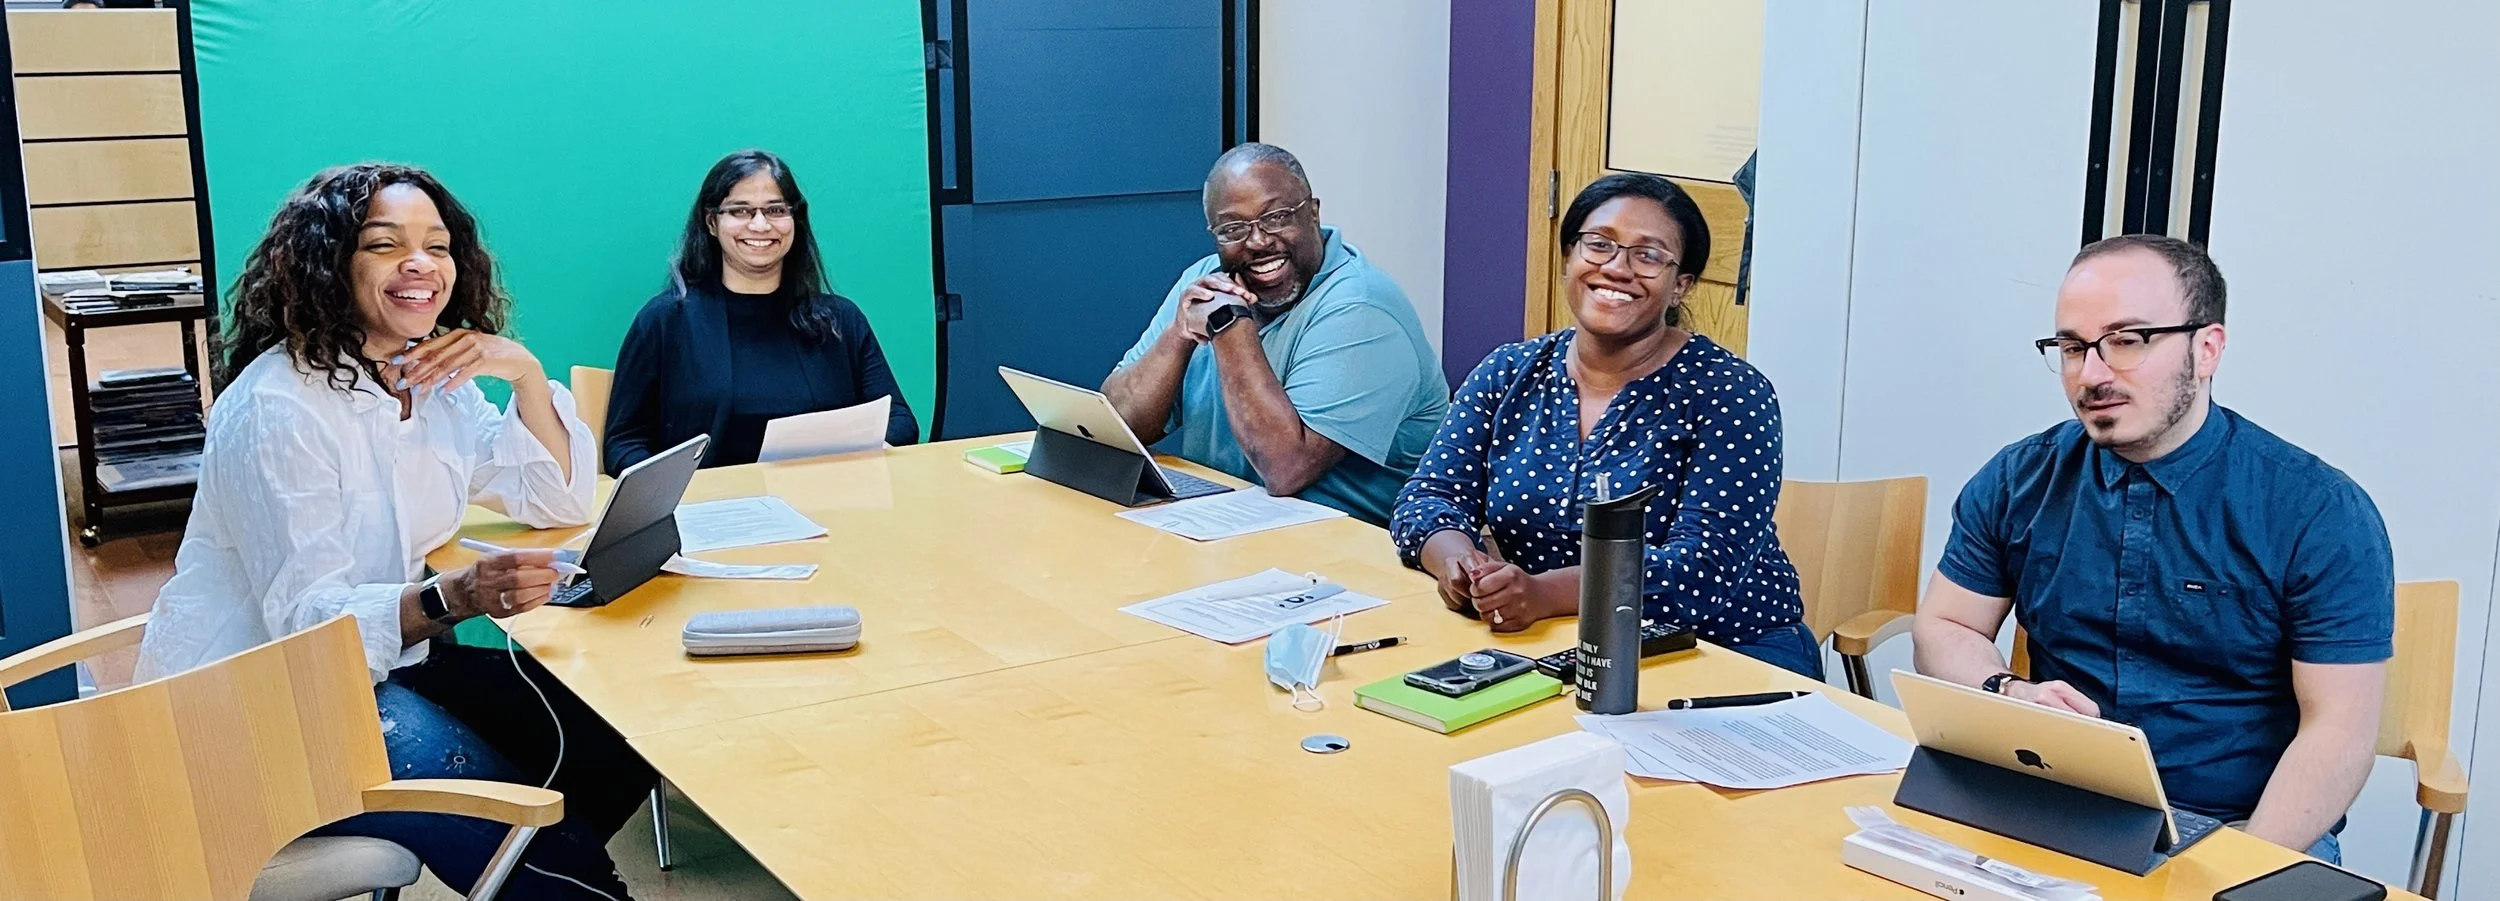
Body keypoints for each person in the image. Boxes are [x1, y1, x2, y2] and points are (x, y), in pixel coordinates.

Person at [134, 164, 648, 899]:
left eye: (437, 247)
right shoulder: (280, 407)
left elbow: (553, 496)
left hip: (379, 669)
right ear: (329, 265)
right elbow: (306, 629)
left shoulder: (424, 377)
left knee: (611, 732)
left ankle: (539, 874)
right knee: (518, 825)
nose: (421, 264)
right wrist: (455, 596)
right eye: (385, 244)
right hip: (260, 704)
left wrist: (524, 373)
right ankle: (551, 874)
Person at [1911, 235, 2390, 863]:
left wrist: (2238, 866)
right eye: (2073, 347)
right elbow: (1942, 627)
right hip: (2057, 799)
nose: (2092, 374)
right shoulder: (2017, 478)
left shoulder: (2317, 510)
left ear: (2208, 348)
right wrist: (2006, 688)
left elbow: (2340, 731)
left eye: (2128, 340)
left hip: (2241, 824)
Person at [1389, 174, 1818, 679]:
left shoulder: (1731, 392)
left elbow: (1702, 572)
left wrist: (1544, 593)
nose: (1617, 268)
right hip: (1553, 644)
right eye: (1599, 245)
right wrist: (1461, 566)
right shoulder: (1508, 372)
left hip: (1720, 647)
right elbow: (1428, 496)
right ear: (1570, 257)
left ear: (1681, 285)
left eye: (1649, 255)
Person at [1102, 143, 1447, 525]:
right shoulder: (1204, 282)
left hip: (1350, 549)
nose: (1258, 241)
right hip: (1226, 525)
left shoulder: (1361, 308)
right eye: (1233, 228)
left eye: (1277, 217)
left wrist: (1229, 322)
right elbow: (1118, 426)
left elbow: (1285, 469)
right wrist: (1179, 336)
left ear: (1313, 213)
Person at [605, 149, 917, 473]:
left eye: (775, 210)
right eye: (740, 211)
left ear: (795, 219)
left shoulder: (841, 320)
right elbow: (623, 443)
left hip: (827, 505)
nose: (759, 224)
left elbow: (901, 420)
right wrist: (668, 493)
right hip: (708, 513)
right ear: (712, 222)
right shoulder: (664, 321)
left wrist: (859, 458)